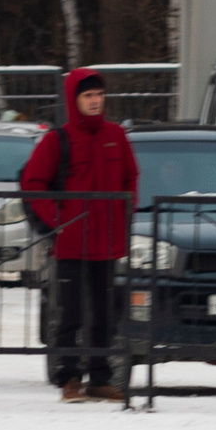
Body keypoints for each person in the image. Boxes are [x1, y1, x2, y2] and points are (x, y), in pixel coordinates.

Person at [20, 68, 139, 403]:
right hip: (71, 244)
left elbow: (131, 177)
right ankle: (69, 379)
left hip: (107, 244)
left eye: (99, 95)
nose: (96, 101)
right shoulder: (57, 140)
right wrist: (56, 221)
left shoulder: (116, 134)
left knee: (104, 315)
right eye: (88, 96)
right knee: (70, 315)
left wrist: (127, 211)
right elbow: (32, 184)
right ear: (74, 100)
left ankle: (100, 379)